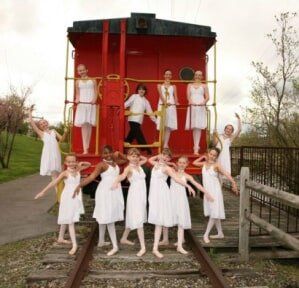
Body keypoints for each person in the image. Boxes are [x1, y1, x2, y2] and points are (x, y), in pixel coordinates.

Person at [73, 145, 127, 256]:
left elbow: (126, 160)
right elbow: (92, 177)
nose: (107, 155)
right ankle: (115, 246)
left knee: (105, 216)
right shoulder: (101, 165)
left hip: (115, 192)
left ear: (112, 152)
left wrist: (118, 152)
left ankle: (101, 241)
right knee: (108, 218)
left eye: (109, 152)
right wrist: (80, 185)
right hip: (105, 192)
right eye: (104, 153)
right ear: (102, 155)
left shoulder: (115, 162)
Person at [35, 154, 90, 255]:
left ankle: (60, 238)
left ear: (76, 161)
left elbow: (89, 164)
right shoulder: (65, 173)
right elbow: (54, 182)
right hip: (68, 197)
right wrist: (43, 191)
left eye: (73, 161)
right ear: (65, 163)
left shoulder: (78, 169)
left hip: (76, 196)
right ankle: (74, 245)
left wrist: (81, 163)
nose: (71, 163)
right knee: (70, 220)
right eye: (69, 162)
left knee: (67, 217)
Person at [148, 148, 195, 258]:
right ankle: (157, 246)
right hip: (154, 194)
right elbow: (149, 159)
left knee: (159, 220)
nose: (165, 157)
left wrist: (188, 185)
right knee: (157, 219)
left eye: (168, 157)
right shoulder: (156, 164)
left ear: (169, 158)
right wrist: (160, 157)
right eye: (164, 155)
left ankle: (155, 248)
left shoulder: (167, 168)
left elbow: (177, 179)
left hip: (162, 194)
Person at [165, 156, 214, 254]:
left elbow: (197, 185)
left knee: (181, 222)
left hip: (181, 200)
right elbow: (162, 164)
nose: (181, 164)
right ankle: (165, 239)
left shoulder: (187, 176)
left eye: (184, 163)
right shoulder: (172, 172)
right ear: (177, 163)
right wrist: (170, 163)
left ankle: (179, 246)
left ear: (187, 164)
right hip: (171, 199)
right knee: (168, 219)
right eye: (180, 162)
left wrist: (207, 193)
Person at [193, 147, 238, 244]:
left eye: (214, 155)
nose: (212, 156)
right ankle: (220, 233)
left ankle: (206, 234)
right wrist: (202, 157)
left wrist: (233, 182)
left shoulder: (217, 165)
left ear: (217, 157)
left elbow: (226, 174)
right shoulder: (204, 164)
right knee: (215, 212)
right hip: (207, 191)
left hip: (215, 191)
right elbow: (194, 163)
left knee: (214, 213)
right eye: (211, 154)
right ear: (208, 153)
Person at [111, 148, 148, 257]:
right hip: (135, 195)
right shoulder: (128, 168)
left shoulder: (139, 165)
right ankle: (143, 247)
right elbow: (122, 176)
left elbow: (145, 159)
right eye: (132, 156)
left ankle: (123, 238)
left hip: (142, 195)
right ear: (128, 157)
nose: (135, 158)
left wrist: (137, 158)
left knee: (133, 217)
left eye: (136, 156)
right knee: (139, 219)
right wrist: (115, 182)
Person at [29, 106, 67, 184]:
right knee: (54, 176)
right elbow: (32, 123)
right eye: (41, 124)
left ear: (47, 123)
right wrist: (29, 112)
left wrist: (65, 133)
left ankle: (61, 192)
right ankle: (58, 194)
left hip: (56, 154)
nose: (43, 124)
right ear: (40, 127)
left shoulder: (53, 131)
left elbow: (62, 139)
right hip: (48, 155)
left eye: (44, 122)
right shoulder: (41, 133)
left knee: (59, 174)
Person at [124, 84, 156, 155]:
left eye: (143, 89)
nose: (141, 90)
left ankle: (124, 145)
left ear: (145, 91)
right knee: (139, 134)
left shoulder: (146, 101)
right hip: (132, 119)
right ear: (137, 90)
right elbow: (127, 103)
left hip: (139, 121)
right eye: (140, 89)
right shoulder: (134, 96)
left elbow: (149, 112)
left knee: (132, 134)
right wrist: (120, 107)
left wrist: (156, 121)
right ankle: (146, 148)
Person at [74, 64, 97, 154]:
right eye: (80, 71)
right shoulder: (77, 82)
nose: (82, 72)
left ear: (86, 70)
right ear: (78, 72)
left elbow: (95, 92)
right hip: (82, 104)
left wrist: (94, 100)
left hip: (90, 104)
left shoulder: (93, 80)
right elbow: (78, 93)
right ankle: (85, 149)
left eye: (83, 70)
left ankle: (87, 147)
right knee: (84, 126)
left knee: (89, 125)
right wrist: (77, 100)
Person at [185, 70, 209, 155]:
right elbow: (188, 96)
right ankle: (195, 147)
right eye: (196, 75)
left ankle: (196, 148)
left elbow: (207, 97)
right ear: (194, 76)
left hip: (200, 105)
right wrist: (191, 102)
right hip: (192, 105)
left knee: (198, 127)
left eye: (200, 75)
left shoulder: (204, 85)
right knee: (194, 126)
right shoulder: (189, 85)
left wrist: (203, 103)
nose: (198, 76)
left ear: (202, 77)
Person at [156, 70, 179, 148]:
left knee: (168, 125)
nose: (168, 76)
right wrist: (165, 102)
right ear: (164, 75)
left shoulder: (174, 86)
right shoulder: (159, 85)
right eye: (166, 74)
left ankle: (166, 144)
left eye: (169, 74)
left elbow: (175, 97)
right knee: (163, 124)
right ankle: (161, 143)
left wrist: (176, 102)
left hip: (171, 105)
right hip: (162, 105)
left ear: (171, 76)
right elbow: (161, 96)